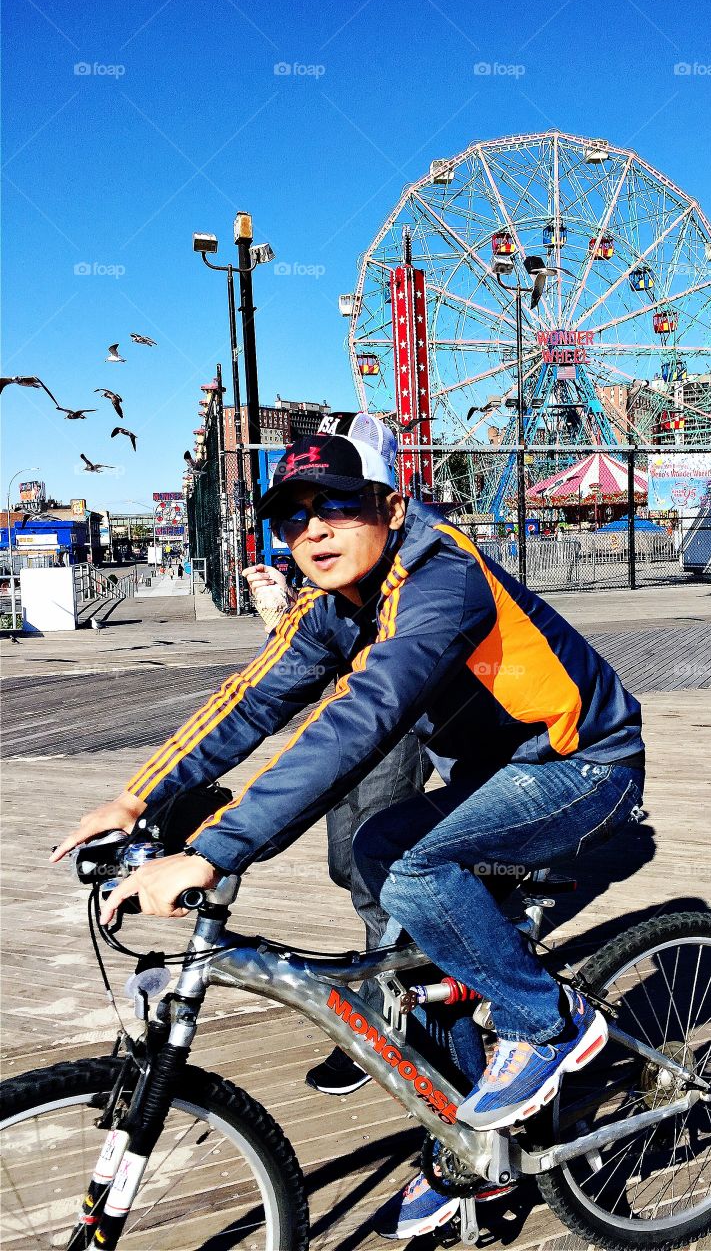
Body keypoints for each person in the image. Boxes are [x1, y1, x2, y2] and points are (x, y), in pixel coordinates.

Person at [53, 431, 645, 1238]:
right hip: (491, 778)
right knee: (405, 941)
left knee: (412, 874)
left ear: (392, 507)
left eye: (337, 504)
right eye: (293, 518)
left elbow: (362, 717)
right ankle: (480, 1154)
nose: (314, 531)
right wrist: (135, 798)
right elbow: (252, 698)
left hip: (586, 767)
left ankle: (549, 1023)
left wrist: (214, 850)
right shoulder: (333, 605)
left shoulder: (442, 579)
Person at [242, 555, 428, 1095]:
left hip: (394, 721)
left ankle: (379, 1029)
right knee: (345, 863)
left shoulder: (410, 561)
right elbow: (323, 633)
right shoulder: (333, 571)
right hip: (345, 718)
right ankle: (441, 941)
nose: (315, 530)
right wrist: (286, 601)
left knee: (375, 876)